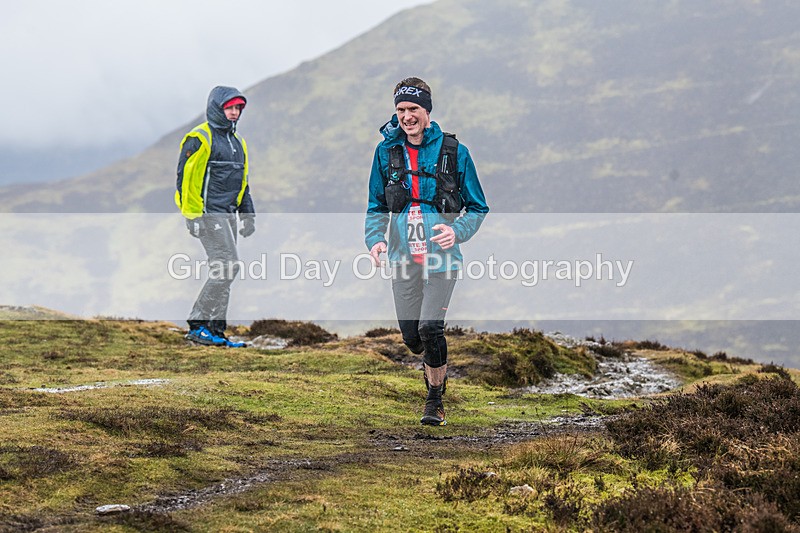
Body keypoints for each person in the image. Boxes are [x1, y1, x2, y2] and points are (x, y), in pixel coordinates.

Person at [364, 77, 489, 425]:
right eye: (401, 110)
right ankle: (433, 362)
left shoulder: (454, 152)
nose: (407, 116)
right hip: (403, 257)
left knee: (431, 328)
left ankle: (435, 400)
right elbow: (376, 204)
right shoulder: (386, 153)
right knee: (412, 336)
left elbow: (478, 207)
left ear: (427, 111)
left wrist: (456, 231)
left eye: (413, 109)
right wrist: (375, 240)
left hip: (442, 259)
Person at [175, 86, 256, 348]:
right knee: (228, 265)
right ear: (217, 108)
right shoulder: (200, 137)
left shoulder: (238, 142)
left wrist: (248, 213)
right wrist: (192, 216)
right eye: (229, 108)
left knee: (226, 269)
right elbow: (187, 180)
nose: (234, 113)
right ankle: (198, 325)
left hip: (229, 213)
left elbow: (242, 180)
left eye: (238, 109)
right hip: (209, 213)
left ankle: (217, 331)